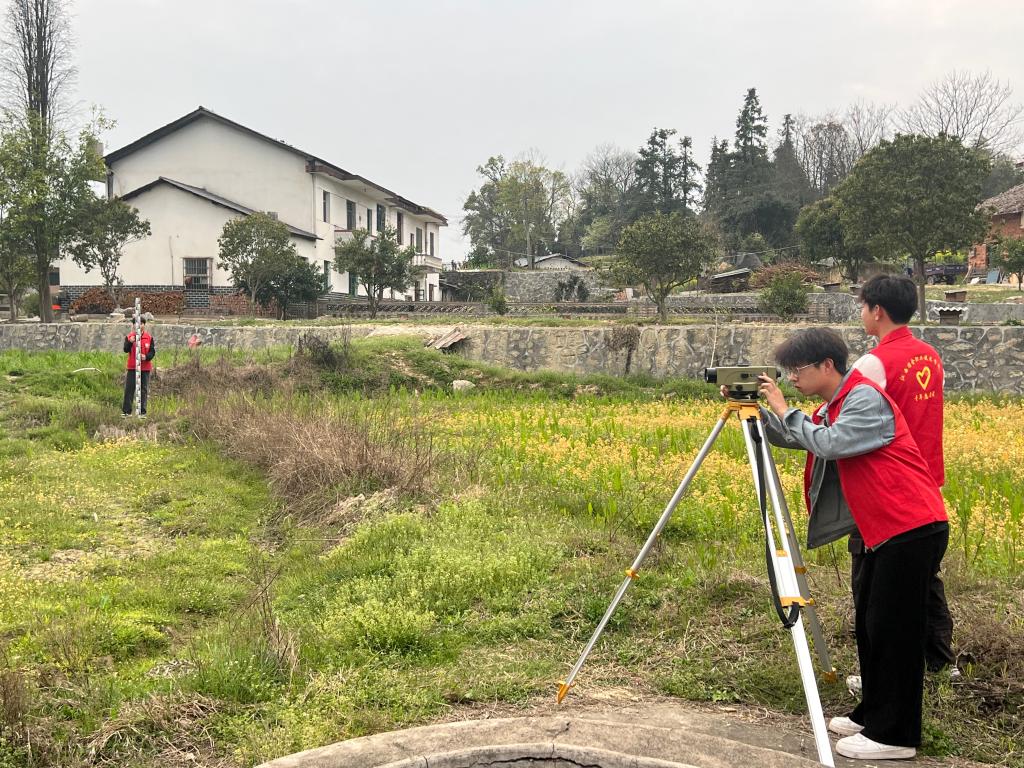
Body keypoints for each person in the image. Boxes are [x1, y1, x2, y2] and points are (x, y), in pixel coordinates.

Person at [751, 327, 948, 761]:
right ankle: (872, 715)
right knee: (872, 628)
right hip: (882, 530)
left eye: (797, 370)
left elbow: (830, 443)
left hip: (911, 527)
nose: (792, 379)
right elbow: (799, 435)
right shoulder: (835, 404)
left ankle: (895, 736)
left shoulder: (864, 398)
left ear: (827, 365)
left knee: (895, 634)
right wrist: (758, 412)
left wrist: (783, 407)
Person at [850, 273, 956, 684]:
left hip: (887, 486)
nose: (861, 314)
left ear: (877, 311)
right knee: (924, 578)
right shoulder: (930, 356)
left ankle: (878, 671)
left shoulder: (873, 364)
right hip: (926, 482)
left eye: (863, 307)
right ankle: (940, 661)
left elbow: (847, 419)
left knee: (872, 583)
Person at [122, 317, 155, 416]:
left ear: (144, 325)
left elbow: (152, 352)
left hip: (145, 368)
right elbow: (125, 349)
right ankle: (126, 412)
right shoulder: (129, 337)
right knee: (129, 389)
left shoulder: (149, 338)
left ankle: (142, 412)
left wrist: (146, 357)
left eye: (141, 323)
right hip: (132, 367)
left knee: (143, 390)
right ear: (133, 325)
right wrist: (130, 342)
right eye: (136, 323)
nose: (139, 325)